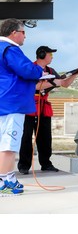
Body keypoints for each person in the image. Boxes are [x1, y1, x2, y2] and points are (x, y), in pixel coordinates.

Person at [18, 46, 78, 175]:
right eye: (50, 55)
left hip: (43, 106)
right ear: (42, 55)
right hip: (29, 106)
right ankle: (24, 165)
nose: (52, 57)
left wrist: (75, 74)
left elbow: (64, 83)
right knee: (26, 138)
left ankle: (46, 163)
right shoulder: (30, 68)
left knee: (45, 138)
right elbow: (33, 86)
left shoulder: (50, 70)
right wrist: (53, 83)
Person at [0, 18, 45, 196]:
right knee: (9, 144)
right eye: (23, 32)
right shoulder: (10, 49)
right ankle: (6, 180)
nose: (25, 36)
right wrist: (40, 70)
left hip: (3, 101)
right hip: (12, 103)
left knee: (2, 143)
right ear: (14, 33)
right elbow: (27, 70)